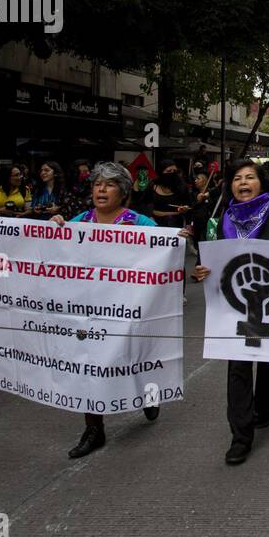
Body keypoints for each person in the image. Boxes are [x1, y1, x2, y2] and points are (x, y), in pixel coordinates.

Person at [191, 159, 269, 464]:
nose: (242, 182)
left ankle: (265, 409)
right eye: (237, 178)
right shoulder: (219, 221)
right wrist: (199, 272)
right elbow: (207, 263)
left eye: (249, 177)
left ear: (261, 183)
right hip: (233, 307)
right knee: (237, 367)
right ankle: (240, 436)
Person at [47, 162, 161, 459]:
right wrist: (54, 228)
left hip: (130, 309)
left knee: (134, 356)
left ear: (123, 192)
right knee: (88, 364)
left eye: (109, 184)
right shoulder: (78, 222)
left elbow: (162, 256)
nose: (101, 189)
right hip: (88, 311)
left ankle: (148, 391)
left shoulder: (142, 224)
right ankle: (93, 429)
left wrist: (177, 242)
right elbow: (53, 255)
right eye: (97, 184)